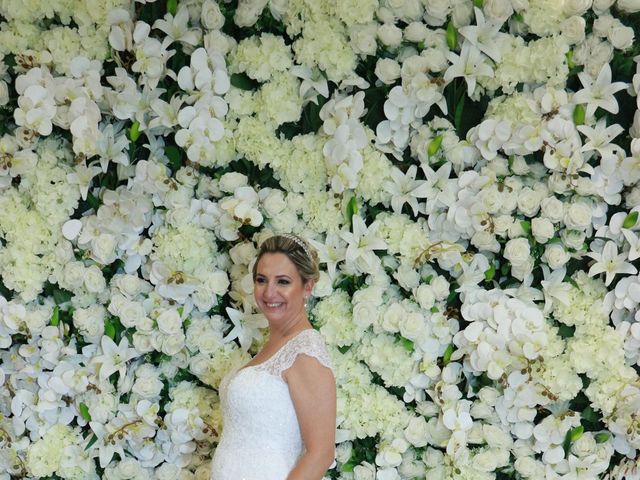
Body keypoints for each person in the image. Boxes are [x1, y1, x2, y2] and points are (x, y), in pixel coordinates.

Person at [211, 234, 336, 480]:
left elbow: (321, 453)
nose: (269, 292)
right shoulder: (274, 345)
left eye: (283, 282)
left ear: (307, 287)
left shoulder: (305, 352)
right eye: (261, 280)